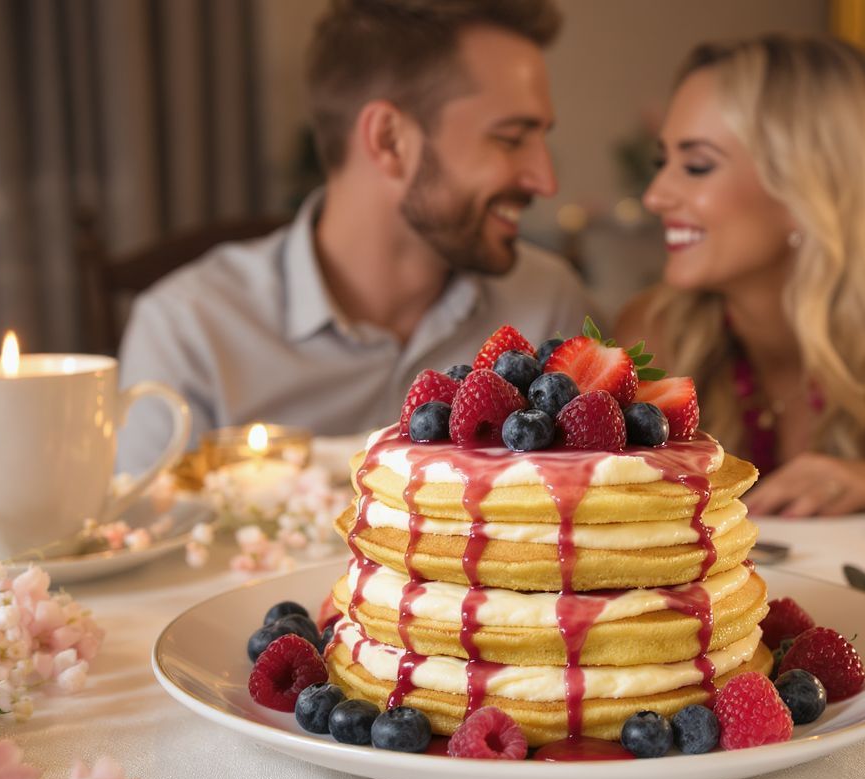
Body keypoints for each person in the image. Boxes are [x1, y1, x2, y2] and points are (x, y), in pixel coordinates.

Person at [117, 0, 589, 473]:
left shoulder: (548, 303)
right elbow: (149, 538)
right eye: (510, 138)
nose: (545, 181)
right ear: (389, 140)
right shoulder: (188, 331)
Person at [616, 33, 865, 516]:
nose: (655, 196)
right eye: (662, 162)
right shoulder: (652, 331)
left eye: (697, 165)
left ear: (806, 189)